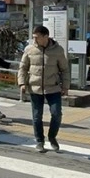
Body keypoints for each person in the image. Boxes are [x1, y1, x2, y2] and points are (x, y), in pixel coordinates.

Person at [18, 25, 69, 153]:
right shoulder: (29, 49)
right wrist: (22, 83)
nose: (34, 40)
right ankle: (39, 140)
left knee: (56, 113)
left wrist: (65, 86)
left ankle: (52, 137)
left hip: (53, 87)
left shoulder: (58, 50)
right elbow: (23, 68)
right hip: (35, 88)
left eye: (37, 37)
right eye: (33, 37)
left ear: (46, 36)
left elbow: (65, 69)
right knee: (36, 116)